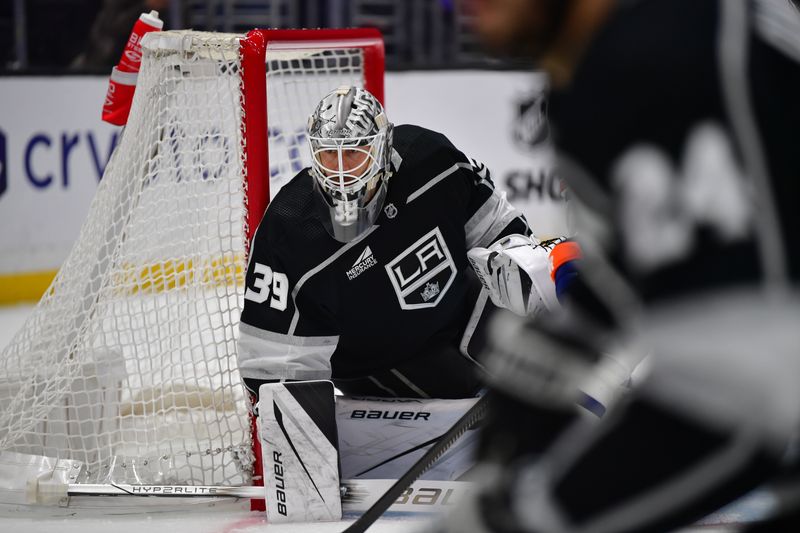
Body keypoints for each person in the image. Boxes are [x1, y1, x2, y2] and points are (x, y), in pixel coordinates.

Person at [428, 0, 800, 532]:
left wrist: (526, 518)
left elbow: (745, 396)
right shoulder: (615, 65)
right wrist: (518, 408)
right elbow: (618, 279)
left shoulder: (663, 56)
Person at [237, 85, 562, 402]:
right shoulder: (289, 227)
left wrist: (519, 264)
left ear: (382, 147)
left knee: (535, 286)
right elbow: (273, 370)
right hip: (377, 367)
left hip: (459, 320)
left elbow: (498, 228)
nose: (340, 171)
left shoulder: (433, 162)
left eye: (353, 152)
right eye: (328, 154)